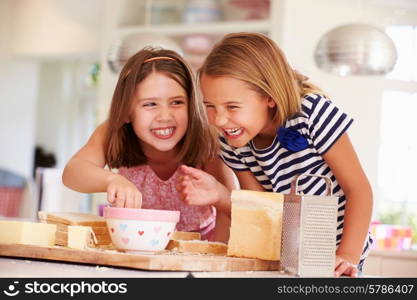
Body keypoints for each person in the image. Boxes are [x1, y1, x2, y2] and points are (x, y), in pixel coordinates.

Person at [176, 32, 373, 277]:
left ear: (268, 97)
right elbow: (261, 210)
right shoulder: (234, 142)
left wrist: (347, 256)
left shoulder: (312, 113)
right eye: (210, 107)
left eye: (232, 107)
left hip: (337, 258)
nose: (219, 120)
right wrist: (219, 194)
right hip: (287, 259)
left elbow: (359, 190)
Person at [62, 47, 237, 242]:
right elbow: (72, 172)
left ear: (192, 105)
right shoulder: (112, 132)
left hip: (197, 256)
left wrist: (218, 257)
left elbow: (230, 208)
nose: (164, 116)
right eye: (150, 104)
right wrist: (112, 180)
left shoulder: (208, 141)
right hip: (135, 250)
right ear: (128, 111)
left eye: (177, 102)